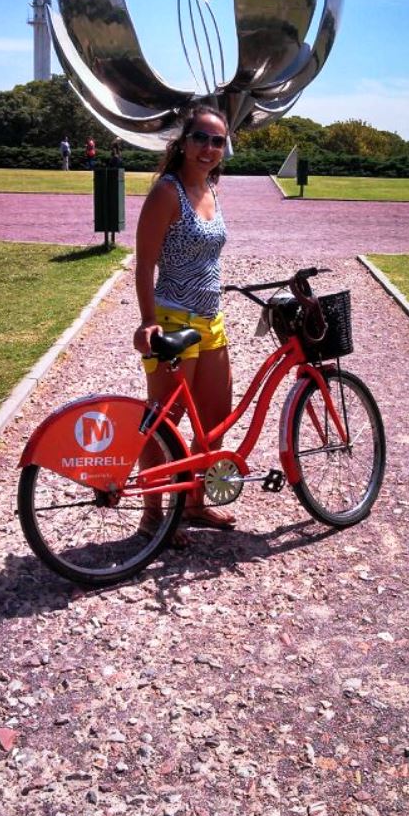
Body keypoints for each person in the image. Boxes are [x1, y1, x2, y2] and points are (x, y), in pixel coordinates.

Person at [133, 103, 235, 538]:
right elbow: (144, 264)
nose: (209, 148)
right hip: (174, 318)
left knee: (214, 419)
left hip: (211, 320)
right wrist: (147, 321)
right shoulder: (166, 192)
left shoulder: (212, 188)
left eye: (218, 141)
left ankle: (192, 505)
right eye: (201, 138)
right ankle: (154, 514)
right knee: (165, 422)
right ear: (183, 143)